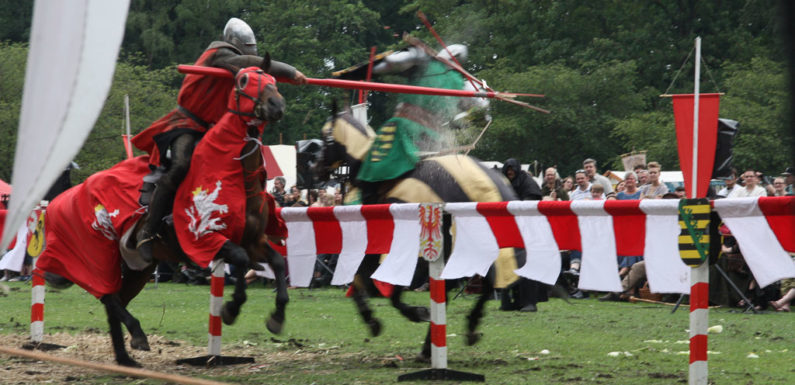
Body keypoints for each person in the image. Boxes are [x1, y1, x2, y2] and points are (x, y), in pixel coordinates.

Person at [133, 17, 307, 262]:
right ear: (234, 43)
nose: (247, 52)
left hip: (215, 130)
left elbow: (259, 77)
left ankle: (251, 225)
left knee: (247, 168)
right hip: (186, 124)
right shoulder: (219, 53)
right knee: (181, 165)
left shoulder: (242, 70)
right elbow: (246, 62)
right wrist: (290, 71)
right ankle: (148, 231)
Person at [356, 44, 489, 186]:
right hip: (437, 139)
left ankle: (370, 188)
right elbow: (483, 107)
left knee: (376, 163)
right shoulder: (462, 85)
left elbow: (393, 62)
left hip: (406, 129)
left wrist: (370, 69)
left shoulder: (424, 62)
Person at [500, 158, 546, 312]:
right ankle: (510, 301)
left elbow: (532, 201)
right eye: (508, 171)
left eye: (512, 171)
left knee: (526, 265)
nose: (510, 173)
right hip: (509, 229)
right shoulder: (503, 183)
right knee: (508, 264)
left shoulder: (527, 182)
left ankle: (529, 302)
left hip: (528, 230)